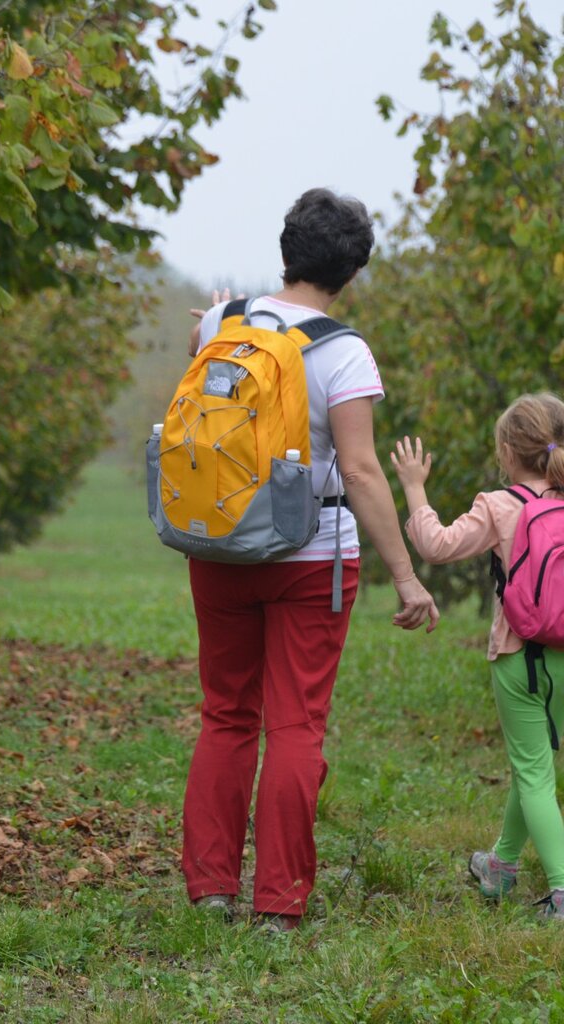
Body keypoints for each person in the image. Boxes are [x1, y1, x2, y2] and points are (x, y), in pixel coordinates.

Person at [182, 188, 439, 933]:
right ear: (352, 271)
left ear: (286, 249)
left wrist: (218, 319)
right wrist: (406, 576)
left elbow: (205, 387)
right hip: (311, 556)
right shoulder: (342, 350)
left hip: (220, 545)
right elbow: (359, 470)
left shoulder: (222, 324)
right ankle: (278, 903)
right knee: (295, 726)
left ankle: (211, 889)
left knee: (225, 714)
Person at [391, 393, 564, 920]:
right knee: (535, 764)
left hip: (518, 656)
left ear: (507, 452)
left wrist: (414, 487)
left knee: (534, 772)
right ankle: (501, 866)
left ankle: (562, 892)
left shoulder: (500, 505)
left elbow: (437, 545)